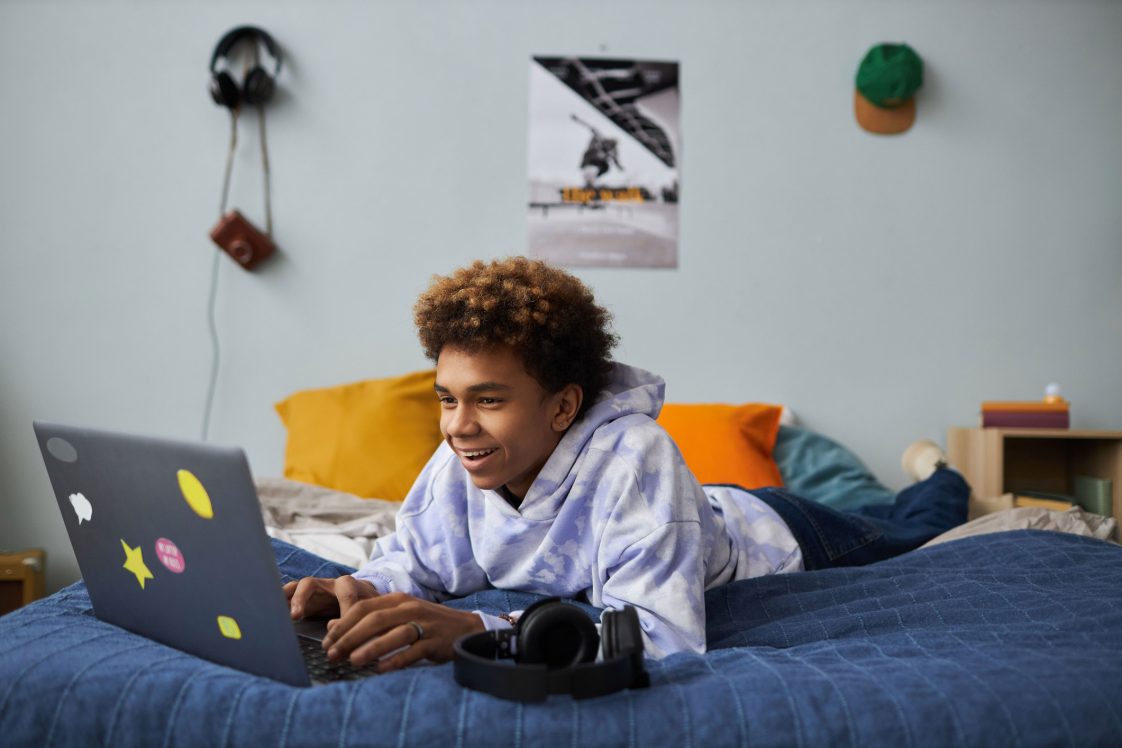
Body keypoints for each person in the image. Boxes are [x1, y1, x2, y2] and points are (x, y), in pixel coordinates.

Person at [285, 257, 969, 672]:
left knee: (913, 525)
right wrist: (362, 590)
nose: (459, 425)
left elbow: (665, 637)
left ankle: (938, 468)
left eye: (488, 401)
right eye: (448, 400)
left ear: (563, 406)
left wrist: (474, 631)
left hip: (777, 532)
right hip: (691, 514)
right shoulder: (457, 460)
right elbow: (420, 559)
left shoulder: (635, 459)